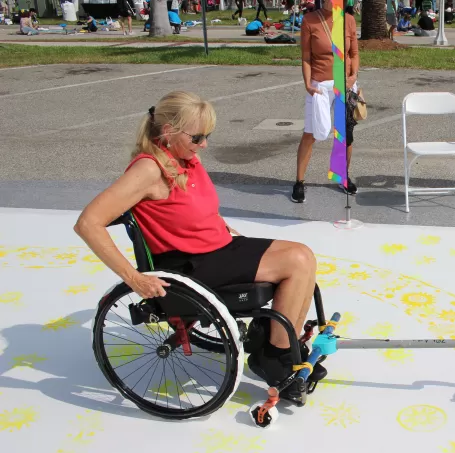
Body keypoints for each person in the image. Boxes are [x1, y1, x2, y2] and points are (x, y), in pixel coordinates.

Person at [73, 91, 322, 397]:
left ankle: (286, 347)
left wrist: (228, 230)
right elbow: (88, 223)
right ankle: (274, 359)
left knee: (304, 255)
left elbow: (200, 210)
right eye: (198, 137)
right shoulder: (148, 170)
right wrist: (134, 278)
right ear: (168, 132)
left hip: (217, 247)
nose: (204, 144)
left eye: (208, 136)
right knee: (296, 261)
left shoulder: (186, 158)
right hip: (191, 264)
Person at [293, 0, 360, 203]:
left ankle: (342, 176)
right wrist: (307, 83)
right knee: (311, 133)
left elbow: (354, 54)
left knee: (344, 133)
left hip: (345, 84)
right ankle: (299, 181)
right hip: (319, 86)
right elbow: (306, 57)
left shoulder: (348, 20)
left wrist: (354, 75)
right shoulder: (310, 20)